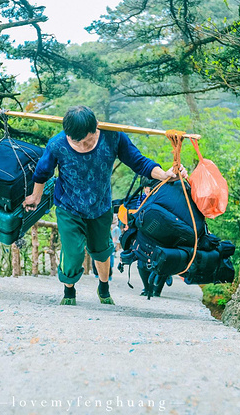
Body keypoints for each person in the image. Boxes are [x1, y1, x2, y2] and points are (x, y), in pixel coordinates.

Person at [23, 106, 186, 306]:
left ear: (96, 127)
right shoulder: (57, 144)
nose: (83, 145)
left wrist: (164, 175)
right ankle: (69, 290)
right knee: (72, 253)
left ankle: (103, 286)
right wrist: (35, 196)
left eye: (88, 140)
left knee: (101, 251)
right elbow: (42, 172)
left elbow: (138, 162)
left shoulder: (113, 137)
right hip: (68, 207)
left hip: (100, 207)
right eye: (77, 142)